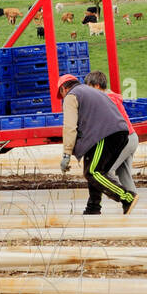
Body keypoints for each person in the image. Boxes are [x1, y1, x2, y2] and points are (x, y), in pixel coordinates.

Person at [58, 74, 137, 215]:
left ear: (64, 88)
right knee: (96, 170)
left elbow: (69, 127)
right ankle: (93, 207)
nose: (62, 97)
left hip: (104, 135)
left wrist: (66, 154)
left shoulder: (71, 96)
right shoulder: (90, 91)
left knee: (92, 172)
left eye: (61, 94)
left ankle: (127, 198)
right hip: (119, 133)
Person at [85, 70, 137, 198]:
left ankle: (125, 197)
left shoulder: (106, 100)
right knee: (124, 173)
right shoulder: (110, 97)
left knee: (103, 172)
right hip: (132, 137)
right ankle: (132, 201)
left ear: (96, 86)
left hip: (123, 140)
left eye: (89, 87)